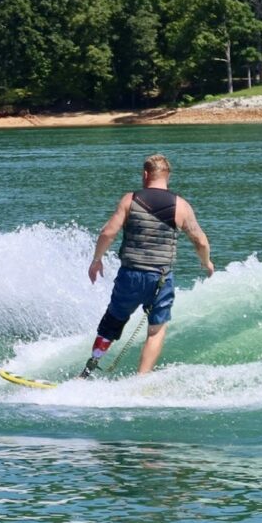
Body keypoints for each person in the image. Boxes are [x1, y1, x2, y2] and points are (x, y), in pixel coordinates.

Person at [84, 154, 213, 376]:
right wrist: (206, 262)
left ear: (145, 174)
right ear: (168, 176)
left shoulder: (130, 200)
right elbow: (200, 241)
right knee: (156, 331)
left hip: (130, 276)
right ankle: (140, 380)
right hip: (160, 279)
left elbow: (108, 232)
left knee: (111, 323)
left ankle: (87, 372)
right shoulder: (180, 206)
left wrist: (97, 260)